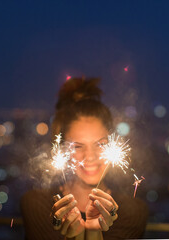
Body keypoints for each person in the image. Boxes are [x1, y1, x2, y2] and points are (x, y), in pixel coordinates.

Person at [20, 77, 148, 239]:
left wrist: (94, 231)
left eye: (100, 144)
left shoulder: (133, 211)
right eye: (77, 146)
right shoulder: (37, 204)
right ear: (61, 148)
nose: (90, 156)